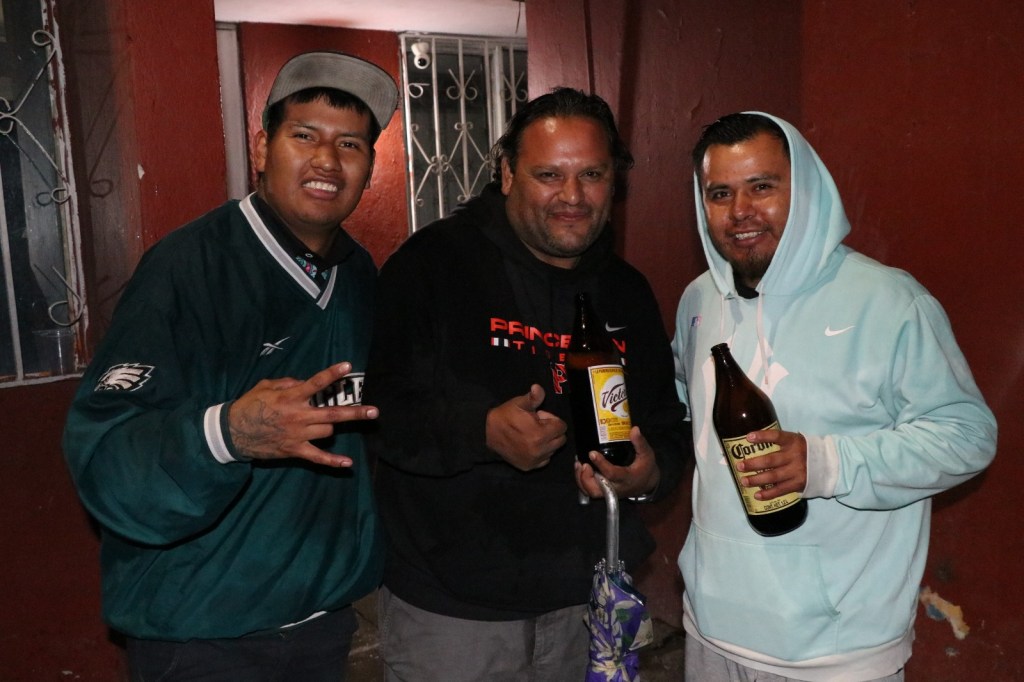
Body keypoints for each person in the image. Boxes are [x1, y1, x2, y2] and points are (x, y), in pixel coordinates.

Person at [62, 51, 398, 681]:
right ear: (263, 147)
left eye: (350, 144)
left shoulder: (357, 275)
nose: (327, 160)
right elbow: (107, 458)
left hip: (321, 620)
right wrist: (227, 433)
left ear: (370, 168)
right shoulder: (188, 269)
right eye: (305, 136)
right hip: (203, 633)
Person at [364, 87, 691, 681]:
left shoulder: (626, 291)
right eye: (549, 175)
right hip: (453, 615)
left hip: (588, 604)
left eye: (592, 174)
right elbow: (381, 413)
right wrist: (482, 431)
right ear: (508, 174)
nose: (573, 196)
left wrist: (647, 475)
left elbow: (667, 429)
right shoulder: (431, 266)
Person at [671, 112, 997, 681]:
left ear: (806, 191)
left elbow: (968, 436)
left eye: (762, 187)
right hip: (711, 632)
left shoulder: (889, 301)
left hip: (837, 653)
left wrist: (827, 463)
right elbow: (685, 407)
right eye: (720, 193)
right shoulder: (699, 299)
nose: (740, 210)